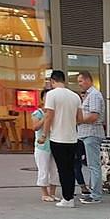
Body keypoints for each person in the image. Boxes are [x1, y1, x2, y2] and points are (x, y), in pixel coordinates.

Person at [39, 70, 81, 207]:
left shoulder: (51, 95)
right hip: (72, 138)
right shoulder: (75, 96)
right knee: (70, 168)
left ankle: (67, 198)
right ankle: (70, 197)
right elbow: (79, 118)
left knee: (62, 169)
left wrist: (44, 135)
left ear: (52, 81)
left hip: (58, 138)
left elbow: (48, 116)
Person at [75, 71, 105, 205]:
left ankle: (96, 194)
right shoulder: (90, 95)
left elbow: (94, 116)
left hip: (92, 133)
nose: (79, 84)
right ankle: (94, 192)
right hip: (86, 134)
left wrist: (79, 120)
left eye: (80, 81)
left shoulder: (94, 95)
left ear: (88, 80)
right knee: (91, 165)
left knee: (94, 165)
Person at [31, 88, 59, 202]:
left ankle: (52, 193)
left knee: (55, 170)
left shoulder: (56, 112)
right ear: (42, 99)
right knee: (43, 169)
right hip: (42, 146)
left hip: (55, 143)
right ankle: (44, 193)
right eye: (46, 97)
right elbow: (35, 127)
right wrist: (45, 117)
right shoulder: (37, 113)